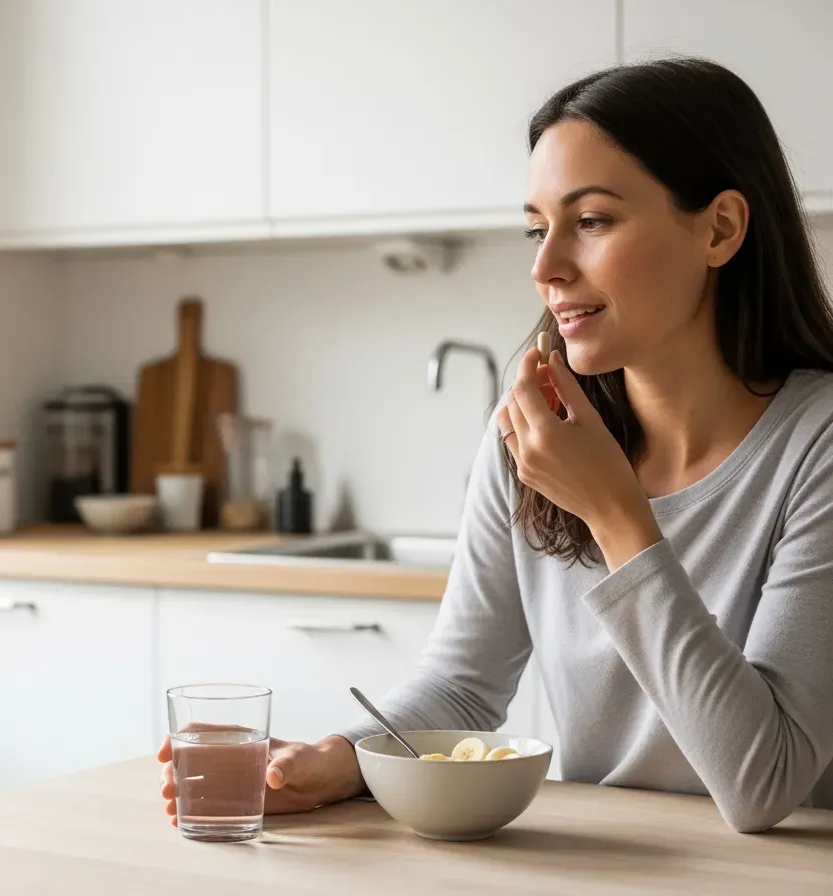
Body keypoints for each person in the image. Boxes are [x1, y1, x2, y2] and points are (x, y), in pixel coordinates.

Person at [157, 57, 833, 833]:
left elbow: (763, 783)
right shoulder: (533, 433)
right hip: (607, 863)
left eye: (592, 221)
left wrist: (615, 514)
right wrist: (336, 761)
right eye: (538, 229)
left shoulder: (816, 443)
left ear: (720, 229)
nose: (545, 267)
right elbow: (462, 685)